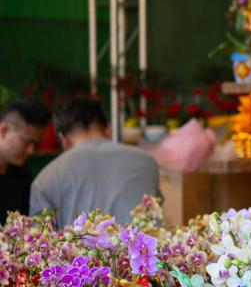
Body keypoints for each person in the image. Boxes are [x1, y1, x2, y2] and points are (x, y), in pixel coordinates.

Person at [30, 97, 160, 226]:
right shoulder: (146, 162)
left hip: (79, 240)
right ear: (108, 128)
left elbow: (39, 234)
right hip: (143, 240)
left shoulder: (45, 180)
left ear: (63, 138)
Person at [0, 99, 50, 225]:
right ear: (4, 130)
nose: (31, 151)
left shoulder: (22, 172)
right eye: (27, 142)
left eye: (36, 145)